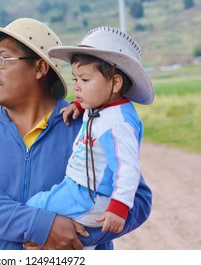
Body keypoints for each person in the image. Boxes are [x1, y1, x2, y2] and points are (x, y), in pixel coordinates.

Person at [0, 18, 152, 250]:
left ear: (40, 68)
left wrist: (76, 238)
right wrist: (43, 226)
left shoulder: (87, 123)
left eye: (3, 59)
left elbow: (138, 200)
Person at [26, 26, 154, 249]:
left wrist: (119, 207)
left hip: (89, 195)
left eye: (85, 80)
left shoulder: (118, 124)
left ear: (115, 83)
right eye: (75, 79)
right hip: (78, 190)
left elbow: (127, 167)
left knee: (34, 207)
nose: (76, 87)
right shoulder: (103, 109)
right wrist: (79, 105)